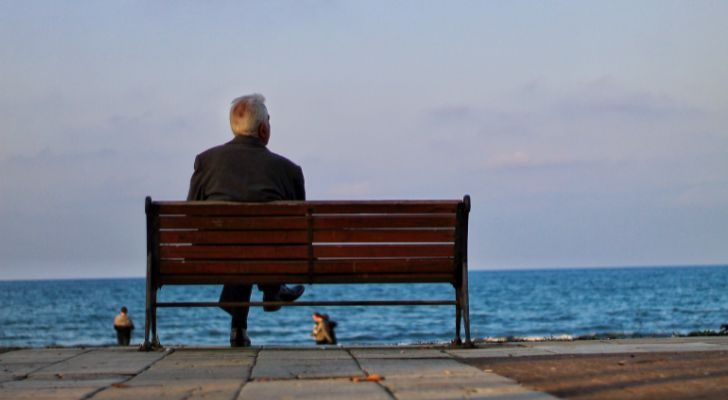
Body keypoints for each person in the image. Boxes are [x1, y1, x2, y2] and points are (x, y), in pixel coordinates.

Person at [187, 93, 305, 347]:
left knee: (240, 246)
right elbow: (299, 230)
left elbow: (191, 215)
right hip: (267, 259)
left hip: (213, 256)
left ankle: (239, 329)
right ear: (263, 129)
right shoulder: (288, 170)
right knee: (254, 245)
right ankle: (273, 288)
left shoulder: (206, 162)